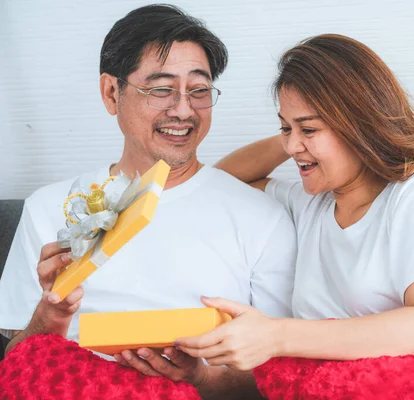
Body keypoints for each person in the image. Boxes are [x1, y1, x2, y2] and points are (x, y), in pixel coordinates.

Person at [176, 34, 414, 399]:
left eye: (309, 129)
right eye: (284, 128)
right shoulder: (311, 204)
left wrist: (275, 335)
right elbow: (222, 182)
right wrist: (300, 135)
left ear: (359, 126)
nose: (291, 146)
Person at [0, 4, 296, 399]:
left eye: (200, 90)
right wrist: (50, 315)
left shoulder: (263, 217)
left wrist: (202, 378)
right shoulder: (50, 206)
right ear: (111, 92)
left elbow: (279, 374)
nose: (183, 109)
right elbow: (17, 363)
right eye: (161, 89)